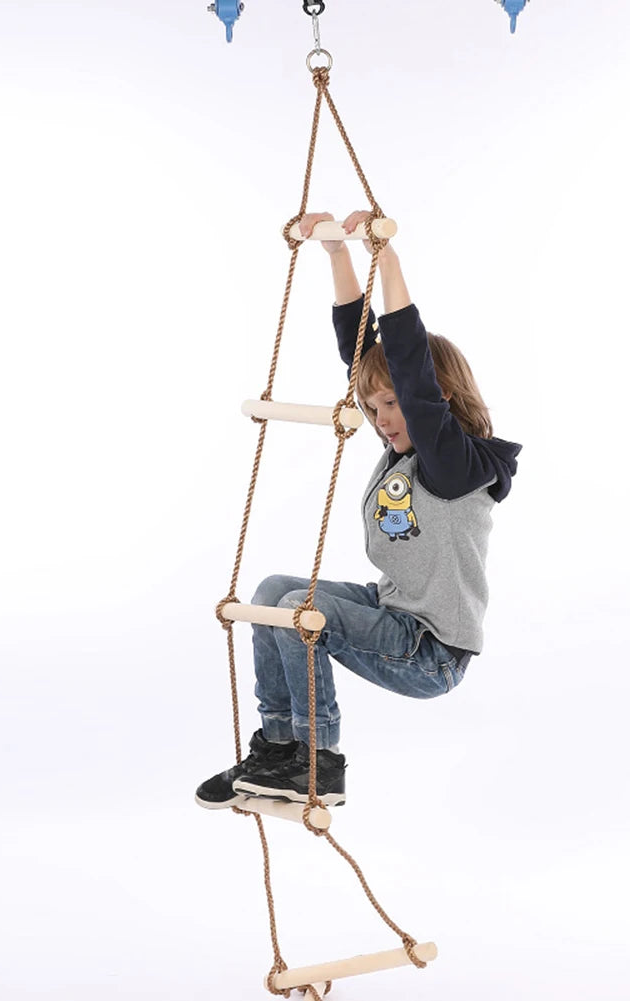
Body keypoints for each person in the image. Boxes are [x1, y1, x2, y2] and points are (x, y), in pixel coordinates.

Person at [195, 210, 521, 810]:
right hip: (393, 609)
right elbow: (361, 353)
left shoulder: (453, 463)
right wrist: (338, 254)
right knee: (272, 593)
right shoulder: (404, 450)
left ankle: (319, 763)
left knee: (299, 612)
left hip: (430, 651)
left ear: (437, 401)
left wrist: (385, 260)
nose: (381, 420)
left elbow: (413, 374)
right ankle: (278, 747)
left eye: (392, 405)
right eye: (372, 409)